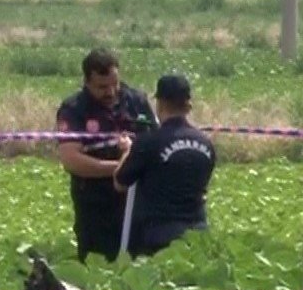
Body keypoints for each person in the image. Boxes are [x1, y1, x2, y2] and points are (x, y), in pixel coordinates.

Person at [56, 48, 154, 261]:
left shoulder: (137, 101)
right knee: (96, 266)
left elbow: (155, 143)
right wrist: (122, 169)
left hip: (137, 204)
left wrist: (131, 168)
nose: (110, 92)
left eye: (114, 84)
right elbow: (71, 160)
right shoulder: (74, 110)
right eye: (102, 87)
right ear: (87, 82)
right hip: (95, 204)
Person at [113, 73, 215, 257]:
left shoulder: (149, 141)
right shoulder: (206, 143)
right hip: (198, 232)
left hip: (159, 235)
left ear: (160, 104)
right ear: (188, 105)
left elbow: (120, 182)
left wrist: (128, 151)